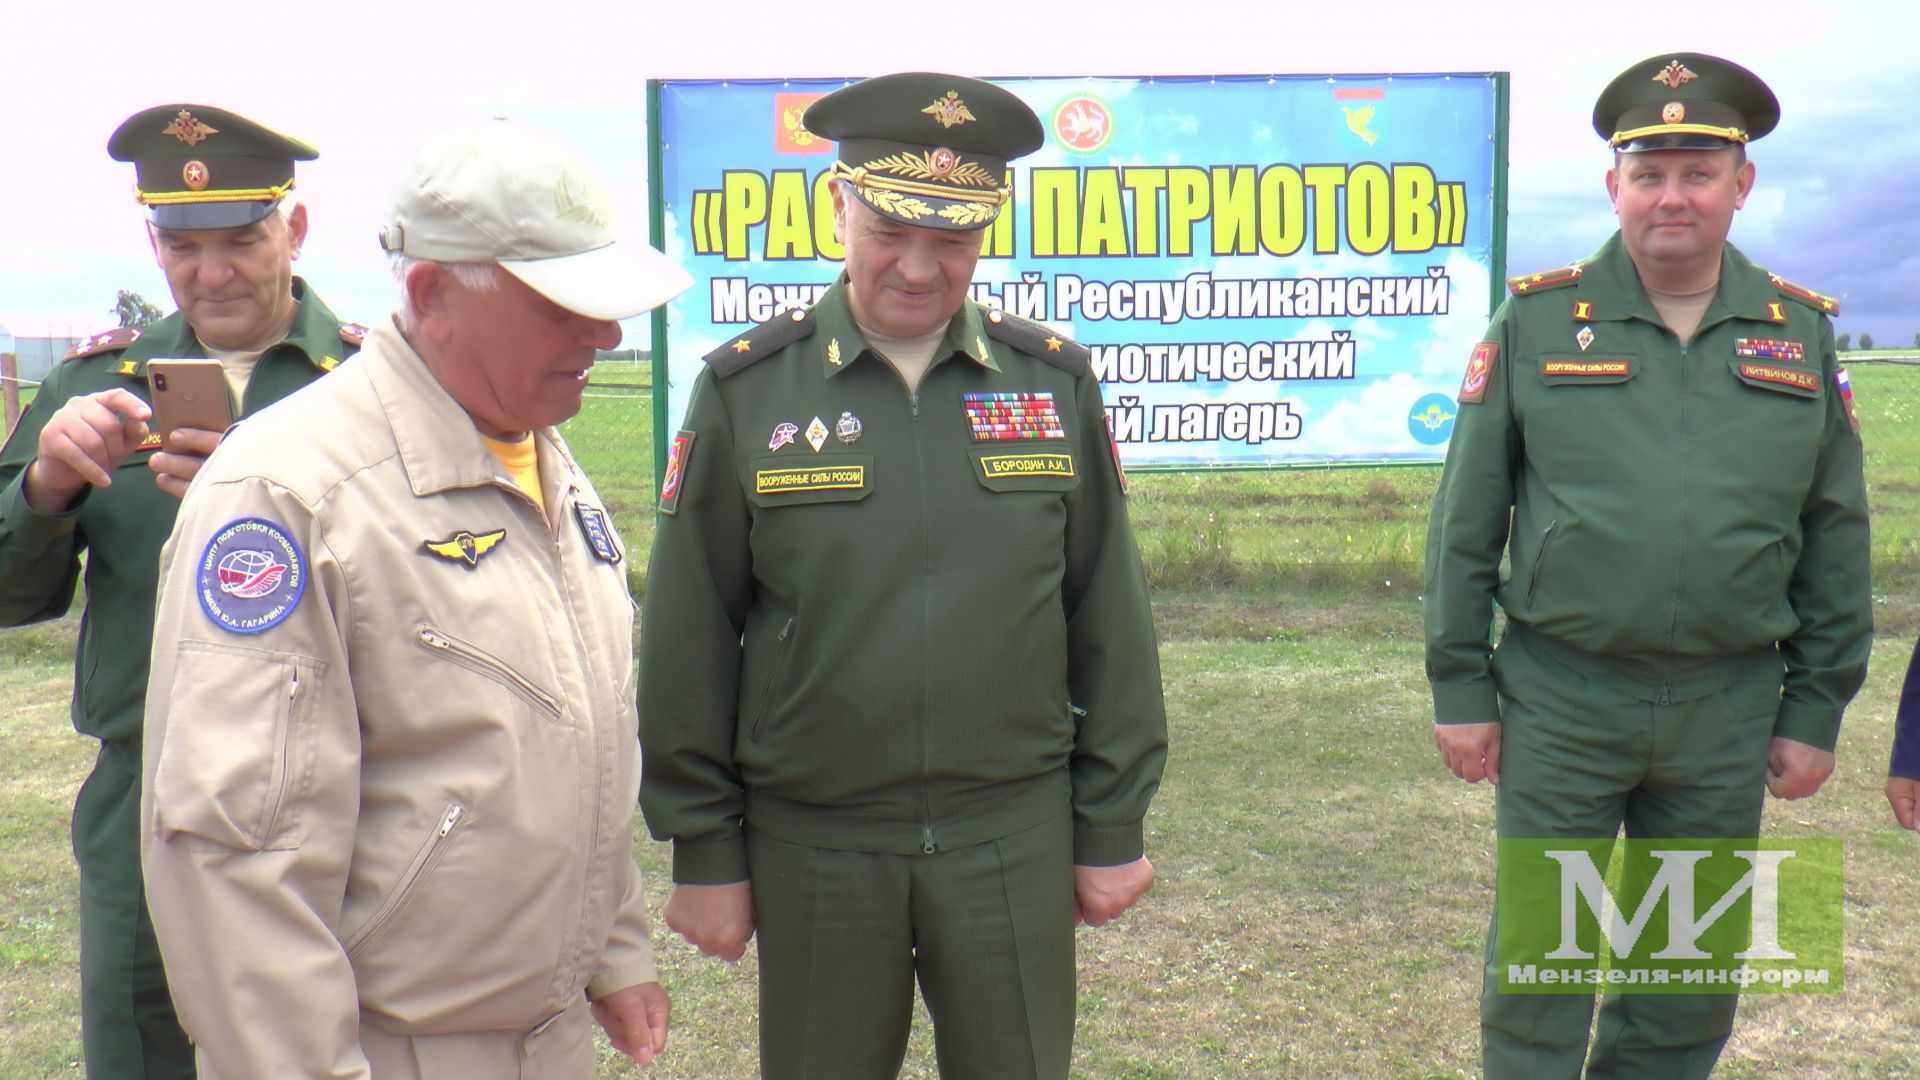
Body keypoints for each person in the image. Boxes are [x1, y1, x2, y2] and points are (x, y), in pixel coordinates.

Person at [639, 72, 1168, 1079]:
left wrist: (1112, 822)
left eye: (954, 238)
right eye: (890, 229)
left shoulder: (1050, 381)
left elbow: (1107, 611)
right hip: (818, 843)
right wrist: (705, 846)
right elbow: (689, 631)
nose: (920, 267)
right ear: (835, 204)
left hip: (1010, 832)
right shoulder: (749, 389)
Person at [139, 118, 692, 1079]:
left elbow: (572, 741)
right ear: (434, 294)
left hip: (546, 1036)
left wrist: (612, 950)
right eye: (562, 306)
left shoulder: (533, 452)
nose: (604, 334)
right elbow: (237, 861)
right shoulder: (292, 493)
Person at [1424, 52, 1870, 1078]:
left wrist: (1815, 711)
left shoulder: (1799, 334)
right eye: (1650, 173)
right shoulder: (1537, 321)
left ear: (1740, 185)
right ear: (1613, 185)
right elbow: (1465, 519)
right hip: (1563, 694)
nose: (1673, 196)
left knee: (1691, 967)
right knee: (1544, 956)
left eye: (1698, 173)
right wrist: (1459, 680)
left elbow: (1836, 532)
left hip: (1728, 703)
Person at [0, 103, 359, 1079]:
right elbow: (8, 598)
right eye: (181, 245)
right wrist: (46, 490)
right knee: (142, 1050)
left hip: (332, 794)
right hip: (147, 796)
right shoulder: (94, 388)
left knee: (326, 1049)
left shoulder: (371, 387)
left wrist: (259, 501)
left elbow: (438, 596)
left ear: (297, 228)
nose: (211, 272)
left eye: (242, 240)